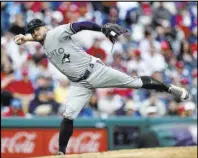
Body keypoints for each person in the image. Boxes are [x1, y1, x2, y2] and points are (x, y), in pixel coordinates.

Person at [14, 19, 189, 155]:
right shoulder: (42, 38)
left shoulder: (56, 32)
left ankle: (171, 88)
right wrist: (26, 37)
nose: (35, 33)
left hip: (96, 72)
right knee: (68, 115)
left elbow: (81, 25)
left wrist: (101, 28)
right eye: (32, 32)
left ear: (45, 27)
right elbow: (38, 36)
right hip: (79, 83)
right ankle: (61, 152)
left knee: (135, 83)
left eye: (37, 29)